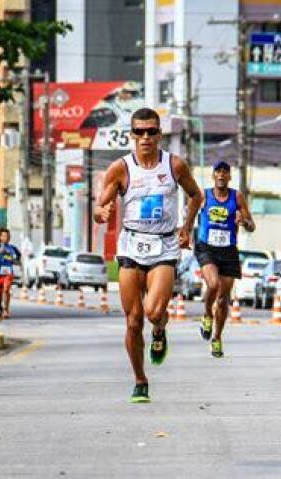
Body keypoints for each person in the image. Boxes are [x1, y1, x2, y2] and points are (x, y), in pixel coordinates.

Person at [94, 107, 202, 403]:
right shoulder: (120, 168)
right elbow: (99, 207)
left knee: (154, 312)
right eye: (139, 132)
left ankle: (160, 330)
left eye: (151, 131)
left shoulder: (174, 166)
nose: (145, 137)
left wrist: (187, 227)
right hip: (131, 246)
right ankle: (140, 380)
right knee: (133, 321)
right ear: (132, 135)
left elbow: (197, 196)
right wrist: (102, 212)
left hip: (164, 245)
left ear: (159, 134)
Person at [195, 160, 255, 358]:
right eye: (217, 172)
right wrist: (185, 231)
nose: (221, 175)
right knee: (212, 285)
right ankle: (206, 316)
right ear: (213, 175)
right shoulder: (204, 195)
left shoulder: (237, 196)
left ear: (229, 176)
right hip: (207, 247)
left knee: (222, 300)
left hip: (228, 250)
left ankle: (217, 338)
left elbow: (251, 225)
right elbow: (189, 214)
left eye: (225, 172)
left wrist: (243, 221)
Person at [0, 229, 21, 322]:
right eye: (5, 236)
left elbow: (18, 259)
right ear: (0, 237)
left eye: (8, 236)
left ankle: (6, 309)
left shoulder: (13, 248)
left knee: (6, 289)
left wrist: (15, 261)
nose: (7, 238)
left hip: (8, 273)